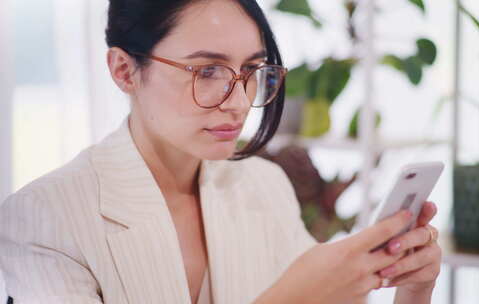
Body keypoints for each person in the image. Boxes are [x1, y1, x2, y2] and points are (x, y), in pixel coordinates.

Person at [0, 0, 441, 303]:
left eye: (251, 69)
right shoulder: (45, 218)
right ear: (124, 70)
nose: (238, 100)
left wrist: (413, 289)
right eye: (208, 69)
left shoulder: (262, 186)